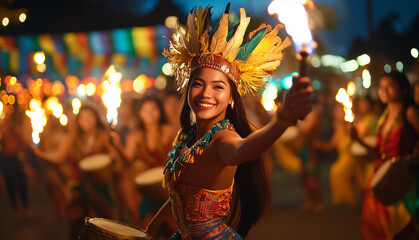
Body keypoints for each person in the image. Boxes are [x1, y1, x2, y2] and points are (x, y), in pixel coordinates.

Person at [145, 5, 313, 239]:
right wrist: (153, 226)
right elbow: (179, 191)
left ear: (232, 100)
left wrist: (283, 119)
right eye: (198, 84)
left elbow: (244, 148)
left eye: (218, 87)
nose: (206, 93)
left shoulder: (224, 140)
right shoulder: (190, 136)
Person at [352, 71, 419, 239]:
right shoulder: (385, 115)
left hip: (405, 182)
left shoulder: (410, 113)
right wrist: (357, 140)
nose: (384, 90)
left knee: (404, 230)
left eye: (390, 86)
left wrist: (408, 160)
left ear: (403, 90)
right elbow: (379, 153)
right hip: (382, 179)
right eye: (381, 87)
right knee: (377, 226)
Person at [34, 104, 118, 240]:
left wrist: (113, 157)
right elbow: (58, 158)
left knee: (106, 222)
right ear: (78, 121)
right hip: (77, 185)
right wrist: (38, 153)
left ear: (96, 118)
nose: (87, 120)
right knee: (79, 223)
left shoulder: (103, 135)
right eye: (83, 118)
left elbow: (114, 155)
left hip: (100, 184)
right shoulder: (71, 138)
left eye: (90, 117)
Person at [111, 95, 175, 227]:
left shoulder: (168, 130)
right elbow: (127, 160)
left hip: (168, 182)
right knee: (146, 222)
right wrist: (117, 146)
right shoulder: (136, 135)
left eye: (154, 109)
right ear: (139, 113)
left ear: (160, 111)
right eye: (145, 110)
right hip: (147, 187)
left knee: (173, 222)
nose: (150, 113)